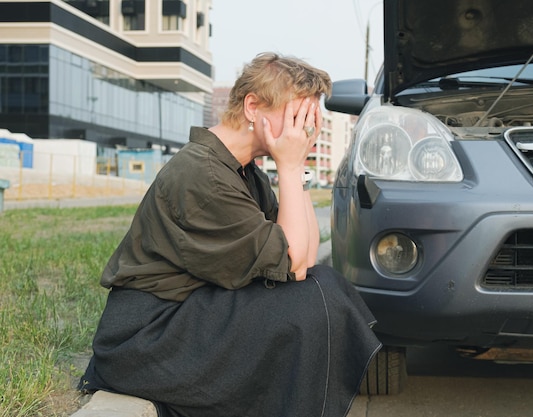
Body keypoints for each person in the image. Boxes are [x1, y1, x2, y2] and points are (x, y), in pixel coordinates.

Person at [78, 52, 381, 417]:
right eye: (298, 116)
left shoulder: (244, 172)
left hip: (188, 313)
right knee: (307, 305)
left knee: (322, 286)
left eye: (310, 121)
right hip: (145, 339)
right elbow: (294, 262)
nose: (305, 131)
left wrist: (296, 168)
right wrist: (288, 164)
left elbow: (307, 258)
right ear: (253, 106)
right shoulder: (203, 177)